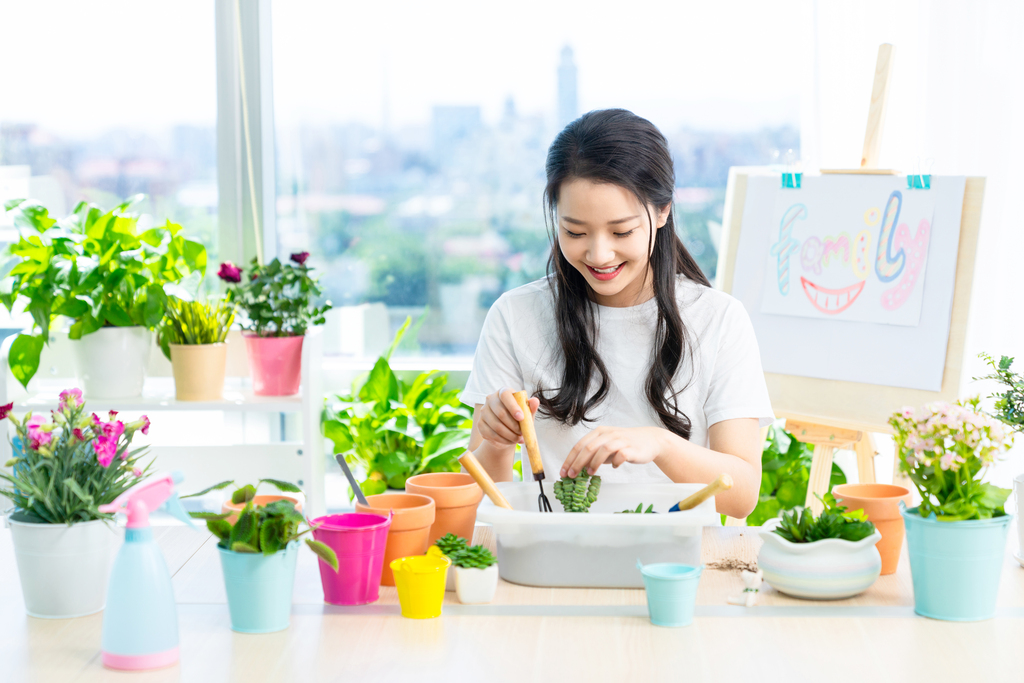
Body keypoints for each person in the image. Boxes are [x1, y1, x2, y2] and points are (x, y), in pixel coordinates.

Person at [460, 109, 773, 518]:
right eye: (574, 232)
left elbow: (742, 494)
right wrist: (496, 442)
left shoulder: (719, 319)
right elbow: (477, 495)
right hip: (559, 552)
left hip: (676, 563)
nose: (599, 254)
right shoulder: (515, 315)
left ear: (662, 212)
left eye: (621, 232)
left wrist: (659, 445)